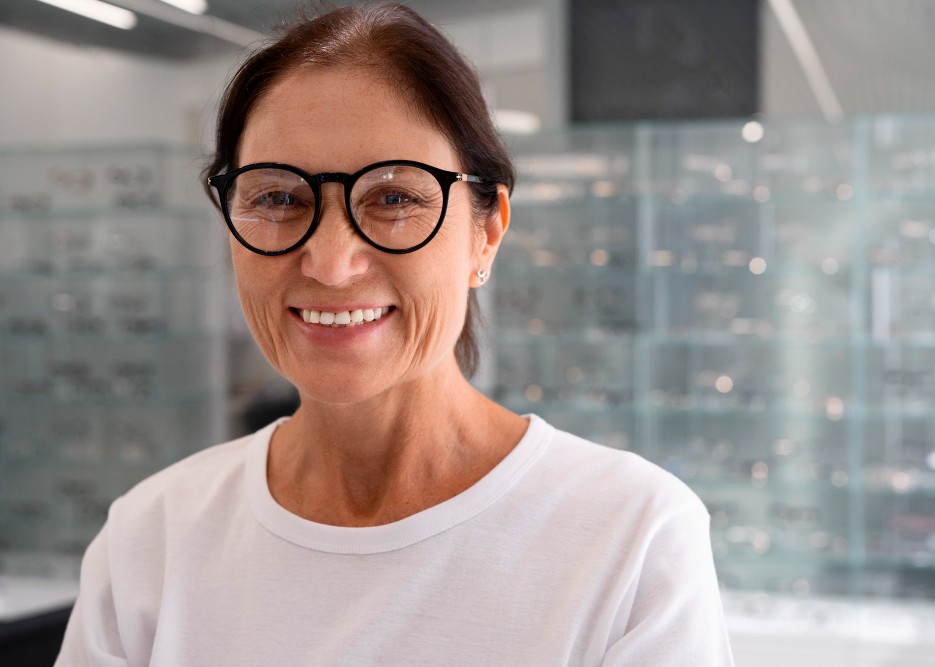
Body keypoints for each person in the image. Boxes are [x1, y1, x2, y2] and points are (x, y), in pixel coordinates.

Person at [56, 3, 734, 665]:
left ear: (486, 231)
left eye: (393, 198)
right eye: (279, 198)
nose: (330, 262)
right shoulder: (153, 537)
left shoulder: (631, 540)